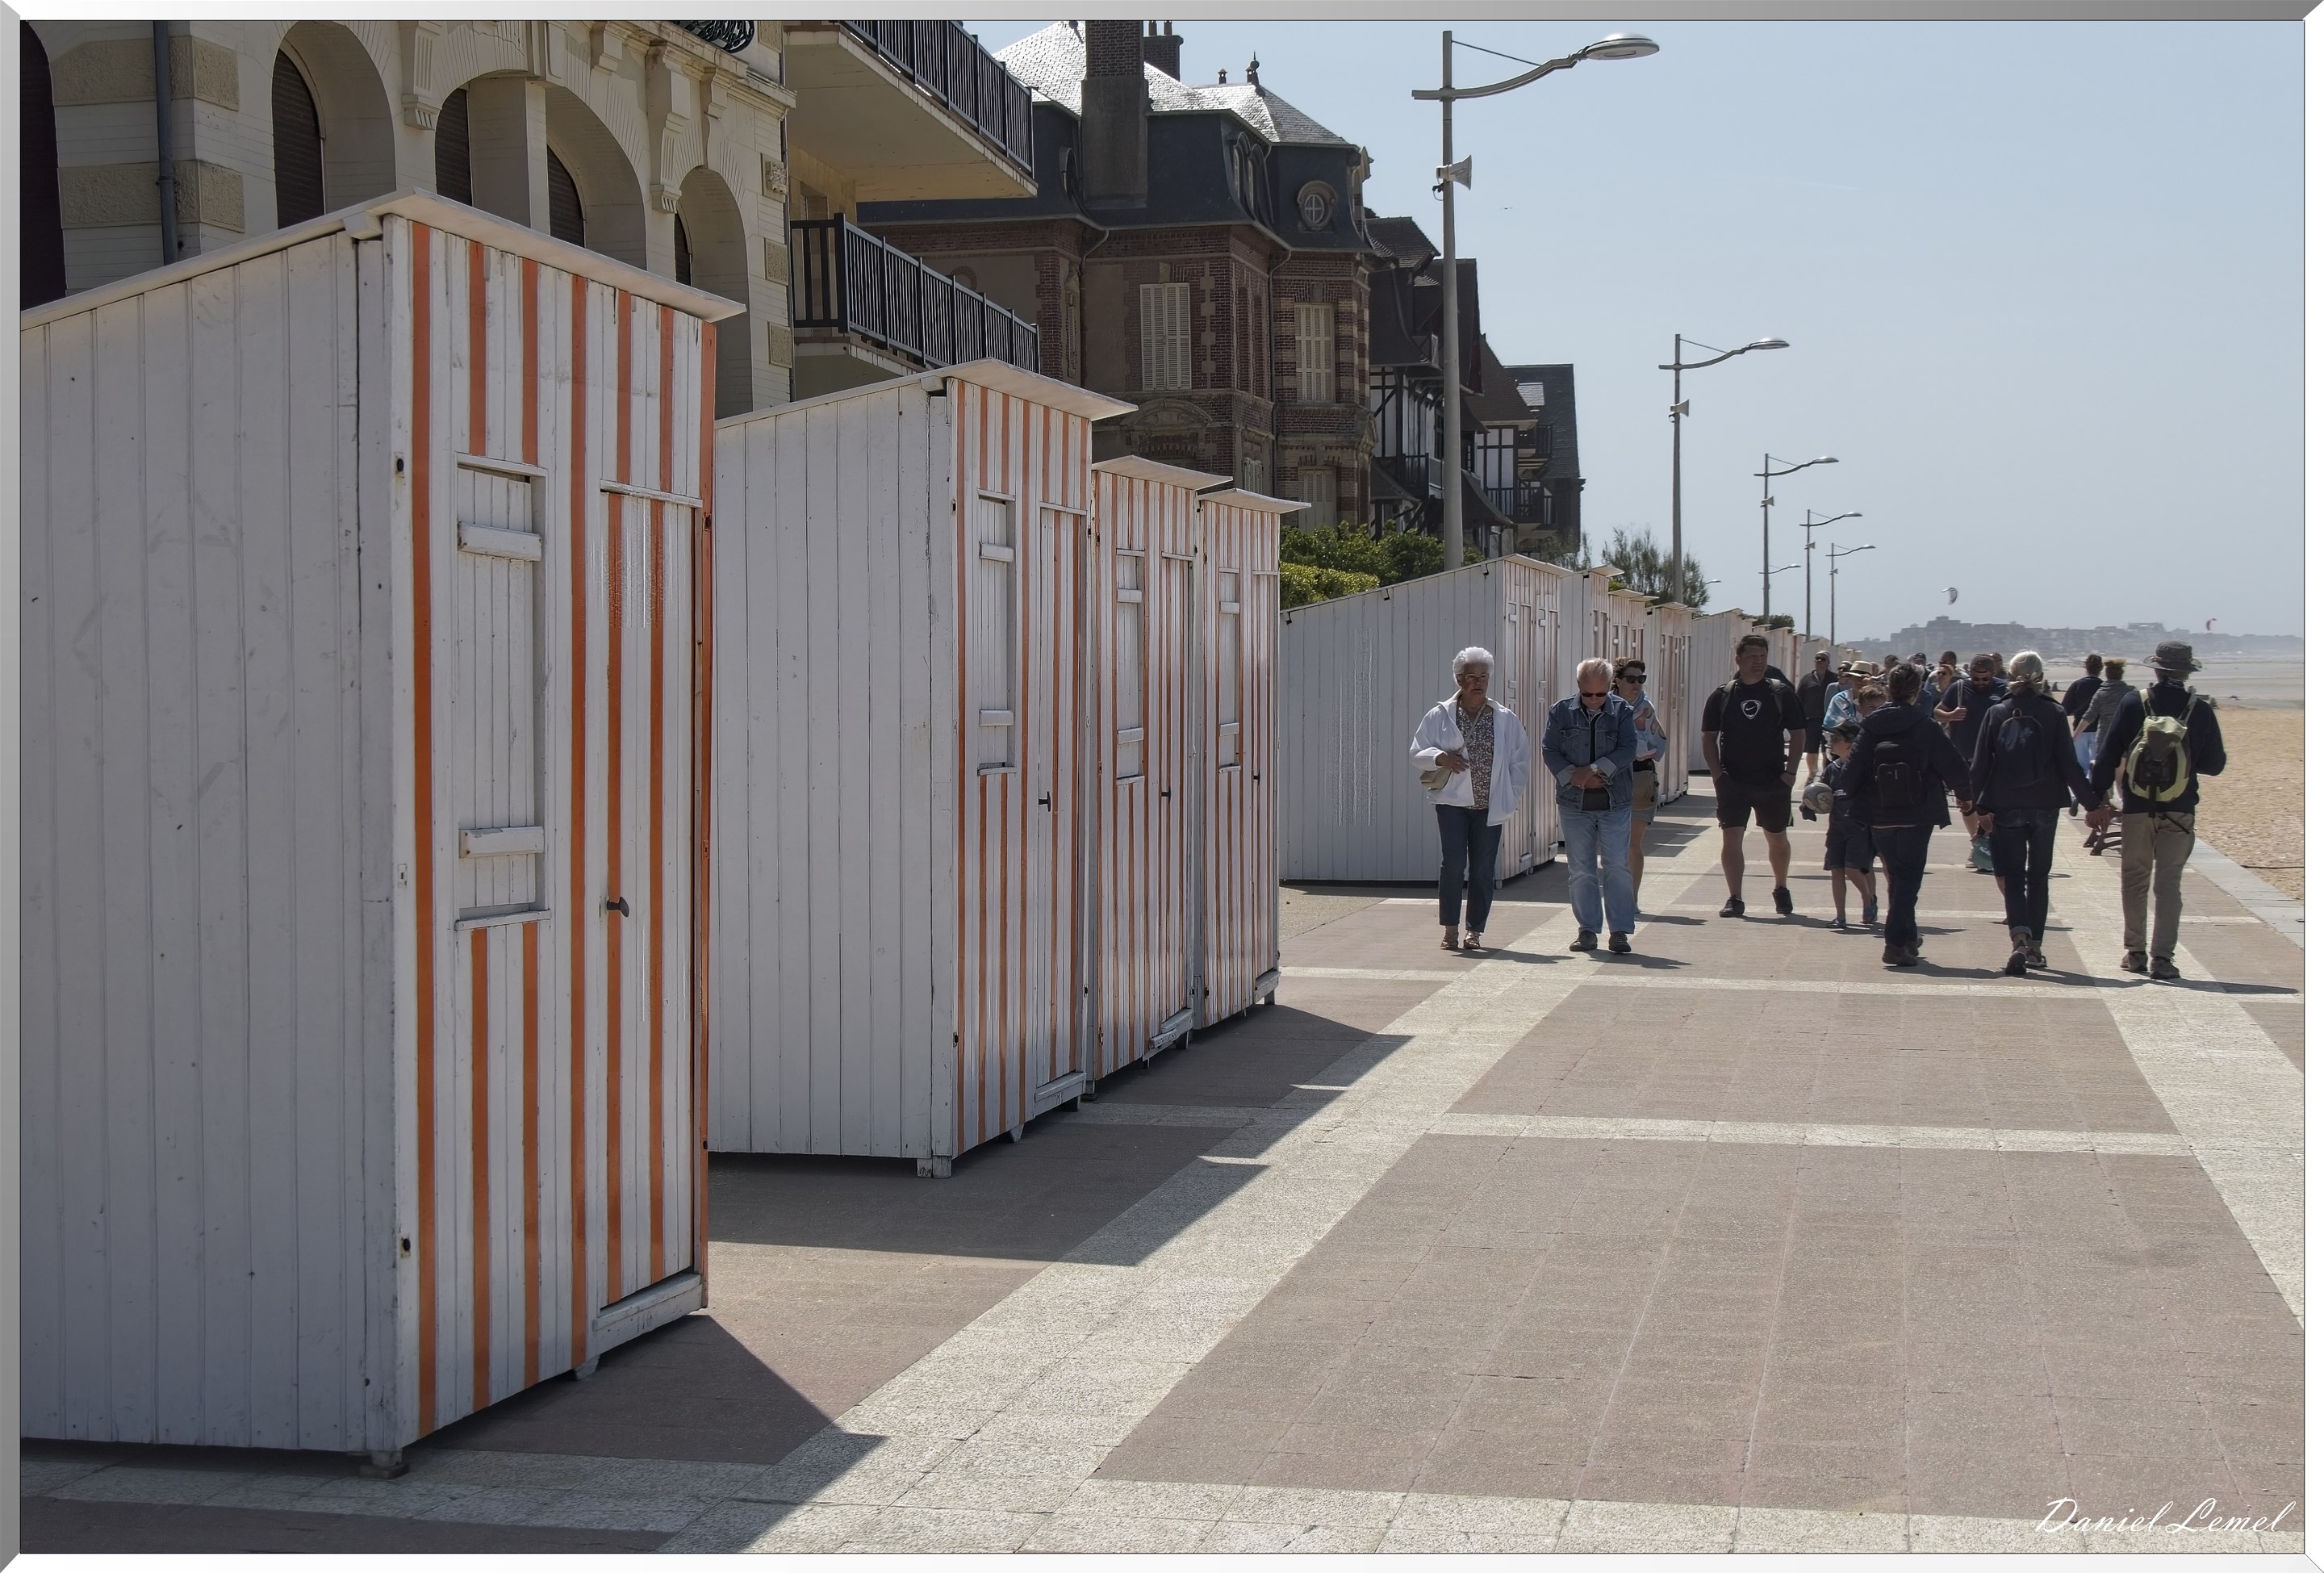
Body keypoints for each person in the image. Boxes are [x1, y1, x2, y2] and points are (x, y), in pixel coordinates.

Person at [2089, 640, 2227, 981]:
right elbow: (2215, 765)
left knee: (2134, 879)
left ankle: (2134, 952)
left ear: (2156, 668)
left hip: (2137, 807)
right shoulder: (2200, 709)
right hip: (2179, 809)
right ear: (2186, 671)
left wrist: (2097, 801)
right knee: (2169, 885)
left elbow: (2107, 756)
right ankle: (2162, 959)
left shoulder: (2134, 702)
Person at [1967, 652, 2111, 975]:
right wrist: (2092, 805)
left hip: (2006, 806)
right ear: (2041, 675)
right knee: (2039, 877)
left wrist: (1980, 807)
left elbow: (1979, 767)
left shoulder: (1996, 712)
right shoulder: (2054, 712)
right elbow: (2069, 765)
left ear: (2010, 674)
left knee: (2014, 877)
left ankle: (2019, 937)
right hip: (2045, 806)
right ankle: (2035, 949)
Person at [1839, 663, 1975, 966]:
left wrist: (1843, 797)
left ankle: (1909, 936)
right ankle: (1895, 943)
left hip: (1880, 814)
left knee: (1898, 878)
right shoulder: (1924, 723)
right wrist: (1966, 797)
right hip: (1918, 813)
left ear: (1888, 689)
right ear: (1917, 692)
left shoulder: (1873, 725)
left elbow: (1853, 769)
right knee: (1908, 880)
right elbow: (1952, 764)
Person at [1413, 646, 1532, 952]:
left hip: (1488, 807)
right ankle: (1450, 928)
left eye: (1483, 676)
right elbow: (1417, 751)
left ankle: (1474, 931)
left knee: (1482, 869)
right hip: (1452, 804)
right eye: (1471, 677)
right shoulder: (1440, 715)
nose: (1478, 682)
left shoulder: (1504, 717)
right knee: (1453, 865)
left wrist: (1511, 794)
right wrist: (1441, 758)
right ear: (1458, 679)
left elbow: (1520, 760)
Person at [1701, 632, 1808, 918]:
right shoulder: (1722, 696)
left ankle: (1781, 887)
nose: (1758, 662)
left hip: (1773, 780)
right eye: (1752, 657)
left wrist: (1790, 773)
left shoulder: (1780, 693)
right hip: (1733, 780)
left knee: (1777, 837)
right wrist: (1717, 775)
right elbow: (1709, 737)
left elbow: (1798, 734)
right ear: (1738, 659)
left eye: (1762, 657)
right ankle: (1734, 897)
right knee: (1732, 837)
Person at [1545, 657, 1641, 953]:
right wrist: (1575, 778)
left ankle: (1620, 931)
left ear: (1610, 688)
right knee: (1581, 869)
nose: (1595, 701)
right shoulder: (1560, 712)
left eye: (1601, 694)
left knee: (1616, 866)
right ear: (1578, 687)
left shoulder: (1623, 711)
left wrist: (1597, 770)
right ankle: (1587, 929)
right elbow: (1550, 749)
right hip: (1575, 803)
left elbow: (1628, 749)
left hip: (1615, 802)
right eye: (1588, 695)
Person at [1935, 654, 2009, 872]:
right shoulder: (1959, 689)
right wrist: (1951, 715)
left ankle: (1990, 845)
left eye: (1985, 679)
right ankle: (1977, 844)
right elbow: (1937, 712)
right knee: (1967, 805)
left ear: (1993, 674)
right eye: (1976, 679)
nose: (1980, 683)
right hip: (1963, 757)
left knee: (1992, 805)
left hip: (1994, 759)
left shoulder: (2003, 690)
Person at [1808, 720, 1876, 930]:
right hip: (1836, 828)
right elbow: (1821, 792)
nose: (1830, 742)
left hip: (1858, 827)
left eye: (1836, 738)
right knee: (1836, 870)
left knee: (1853, 868)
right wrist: (1809, 805)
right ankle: (1840, 916)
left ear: (1850, 743)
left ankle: (1868, 898)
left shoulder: (1862, 769)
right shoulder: (1831, 769)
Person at [1614, 659, 1665, 897]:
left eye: (1641, 679)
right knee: (1614, 846)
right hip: (1611, 778)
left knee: (1634, 845)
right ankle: (1617, 895)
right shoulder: (1605, 706)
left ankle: (1631, 898)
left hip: (1641, 777)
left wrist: (1641, 746)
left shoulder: (1647, 708)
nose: (1637, 684)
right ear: (1617, 681)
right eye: (1631, 679)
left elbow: (1660, 746)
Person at [2059, 653, 2105, 814]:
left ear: (2086, 668)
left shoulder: (2077, 685)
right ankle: (2094, 799)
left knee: (2081, 768)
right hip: (2099, 731)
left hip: (2080, 730)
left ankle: (2078, 797)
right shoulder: (2104, 686)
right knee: (2096, 767)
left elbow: (2065, 709)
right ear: (2101, 669)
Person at [1797, 651, 1837, 772]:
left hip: (1829, 720)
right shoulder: (1806, 679)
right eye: (1817, 658)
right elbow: (1799, 699)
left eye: (1823, 659)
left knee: (1827, 750)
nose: (1820, 661)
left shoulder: (1834, 678)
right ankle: (1812, 773)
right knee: (1811, 749)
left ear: (1828, 662)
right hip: (1811, 720)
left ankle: (1826, 773)